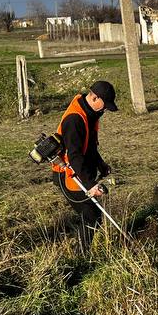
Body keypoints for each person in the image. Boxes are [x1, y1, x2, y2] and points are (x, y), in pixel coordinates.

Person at [52, 80, 117, 244]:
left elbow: (90, 147)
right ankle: (81, 257)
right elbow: (74, 156)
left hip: (81, 170)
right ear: (95, 98)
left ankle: (83, 251)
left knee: (92, 216)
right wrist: (90, 185)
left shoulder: (90, 114)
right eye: (104, 105)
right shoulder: (75, 119)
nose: (105, 110)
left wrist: (100, 164)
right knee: (91, 216)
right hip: (67, 174)